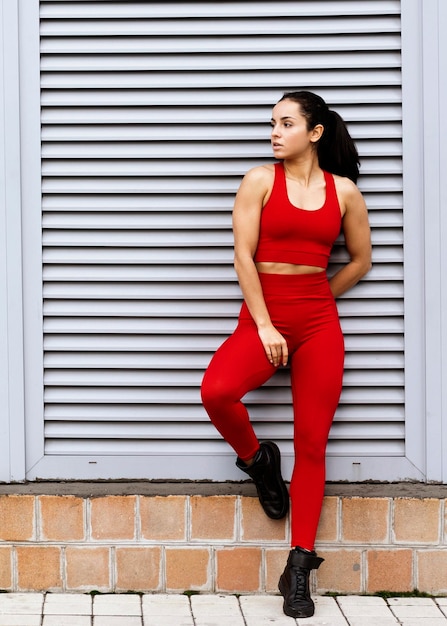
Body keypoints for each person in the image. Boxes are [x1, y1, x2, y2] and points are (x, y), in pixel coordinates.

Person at [201, 90, 371, 618]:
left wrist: (318, 300)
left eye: (286, 123)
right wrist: (268, 322)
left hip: (319, 324)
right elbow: (242, 256)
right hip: (263, 316)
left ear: (315, 132)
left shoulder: (343, 193)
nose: (274, 132)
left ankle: (298, 567)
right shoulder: (258, 181)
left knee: (313, 443)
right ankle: (258, 461)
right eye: (272, 123)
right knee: (217, 391)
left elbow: (361, 260)